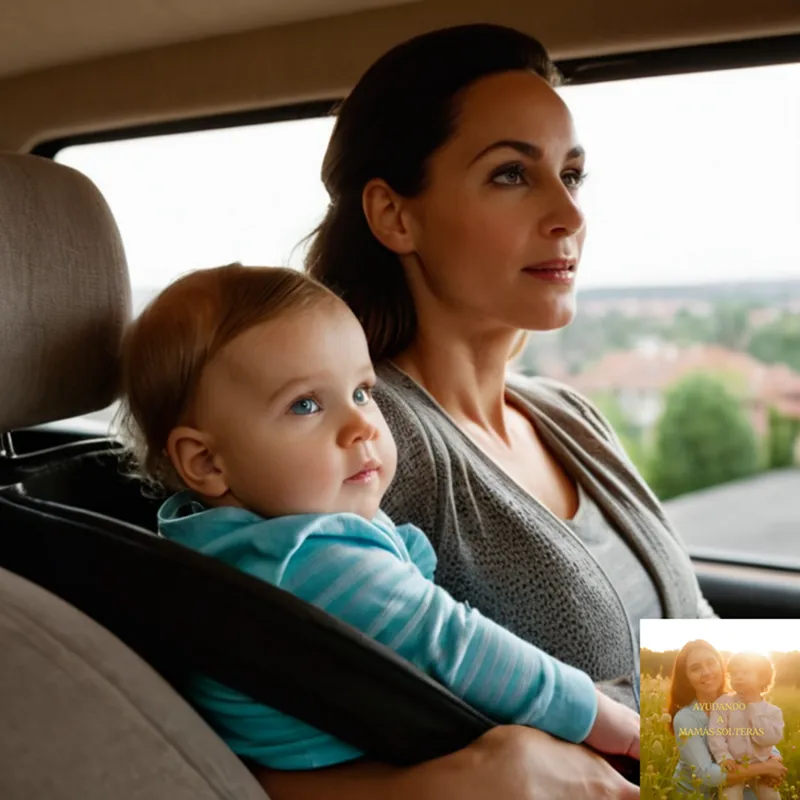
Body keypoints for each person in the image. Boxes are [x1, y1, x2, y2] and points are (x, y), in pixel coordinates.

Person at [259, 19, 713, 799]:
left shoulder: (569, 417)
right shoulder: (367, 445)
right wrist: (460, 783)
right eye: (511, 174)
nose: (568, 214)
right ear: (394, 216)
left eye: (571, 175)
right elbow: (241, 752)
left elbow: (711, 671)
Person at [117, 263, 639, 771]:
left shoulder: (239, 539)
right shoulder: (305, 559)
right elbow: (456, 644)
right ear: (206, 462)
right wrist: (609, 718)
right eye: (305, 406)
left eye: (362, 393)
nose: (362, 426)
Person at [668, 641, 786, 798]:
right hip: (698, 793)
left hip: (739, 781)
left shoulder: (739, 700)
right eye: (696, 668)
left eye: (711, 663)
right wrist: (765, 768)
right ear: (686, 677)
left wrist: (775, 758)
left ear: (721, 666)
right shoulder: (685, 718)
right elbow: (706, 774)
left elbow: (757, 736)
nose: (707, 672)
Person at [707, 652, 785, 800]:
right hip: (735, 767)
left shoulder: (773, 712)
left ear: (762, 678)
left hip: (762, 768)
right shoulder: (723, 704)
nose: (739, 677)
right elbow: (716, 733)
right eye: (734, 673)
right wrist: (723, 757)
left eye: (745, 672)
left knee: (772, 796)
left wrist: (753, 706)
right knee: (729, 796)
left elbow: (768, 739)